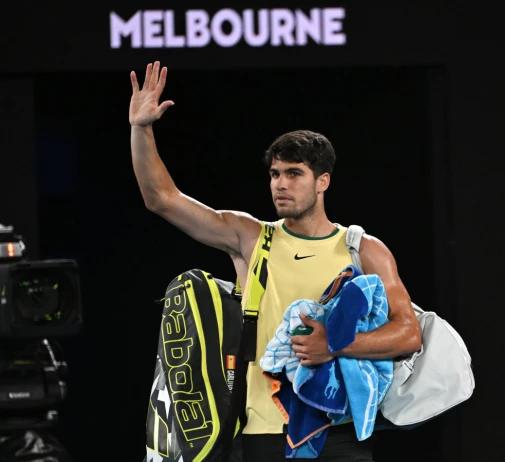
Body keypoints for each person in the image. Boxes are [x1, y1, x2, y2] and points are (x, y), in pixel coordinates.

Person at [129, 61, 421, 461]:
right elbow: (161, 198)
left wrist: (335, 345)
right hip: (265, 433)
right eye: (274, 174)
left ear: (323, 181)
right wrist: (141, 129)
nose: (280, 184)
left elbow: (408, 334)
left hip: (340, 433)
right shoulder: (250, 237)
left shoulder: (363, 248)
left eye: (294, 174)